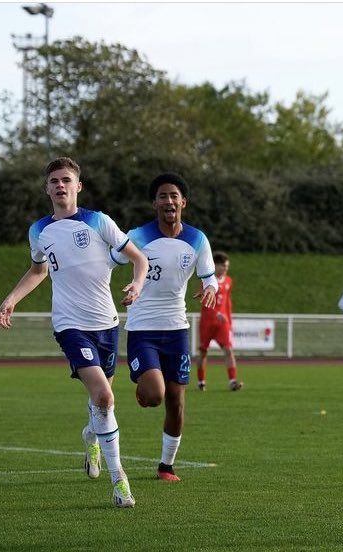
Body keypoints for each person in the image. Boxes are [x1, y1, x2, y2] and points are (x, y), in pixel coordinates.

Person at [0, 157, 147, 508]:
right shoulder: (39, 231)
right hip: (69, 325)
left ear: (78, 186)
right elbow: (38, 271)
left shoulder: (98, 221)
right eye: (54, 181)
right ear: (46, 188)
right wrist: (10, 299)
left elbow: (140, 260)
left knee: (102, 399)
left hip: (107, 324)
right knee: (105, 398)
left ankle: (90, 435)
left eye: (66, 180)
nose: (60, 185)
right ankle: (119, 480)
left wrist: (137, 285)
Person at [119, 173, 218, 483]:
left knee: (177, 400)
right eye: (162, 196)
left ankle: (166, 466)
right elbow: (109, 259)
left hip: (177, 329)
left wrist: (211, 287)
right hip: (143, 328)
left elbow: (209, 276)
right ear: (155, 203)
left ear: (183, 202)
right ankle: (145, 390)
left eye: (174, 196)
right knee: (156, 395)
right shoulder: (137, 236)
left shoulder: (197, 239)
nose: (169, 201)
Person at [197, 251, 242, 392]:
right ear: (215, 265)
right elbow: (204, 300)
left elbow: (227, 302)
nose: (225, 268)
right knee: (204, 352)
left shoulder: (228, 281)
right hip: (207, 321)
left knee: (229, 350)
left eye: (227, 266)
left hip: (223, 323)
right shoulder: (207, 280)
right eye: (223, 265)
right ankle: (201, 381)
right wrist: (216, 313)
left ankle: (233, 381)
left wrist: (229, 320)